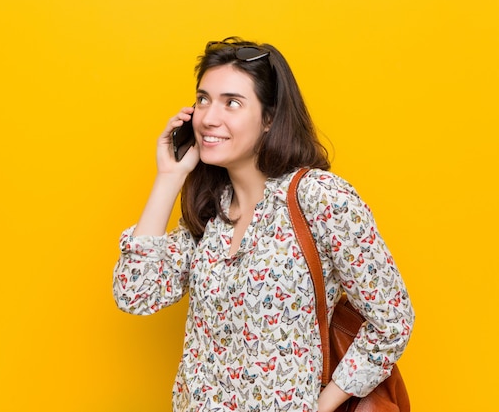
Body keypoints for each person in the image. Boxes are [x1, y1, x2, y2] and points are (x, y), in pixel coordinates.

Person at [112, 37, 414, 412]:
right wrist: (169, 177)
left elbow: (393, 320)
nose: (208, 116)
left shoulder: (318, 197)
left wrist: (322, 405)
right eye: (203, 98)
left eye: (231, 103)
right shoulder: (212, 210)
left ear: (269, 119)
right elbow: (135, 293)